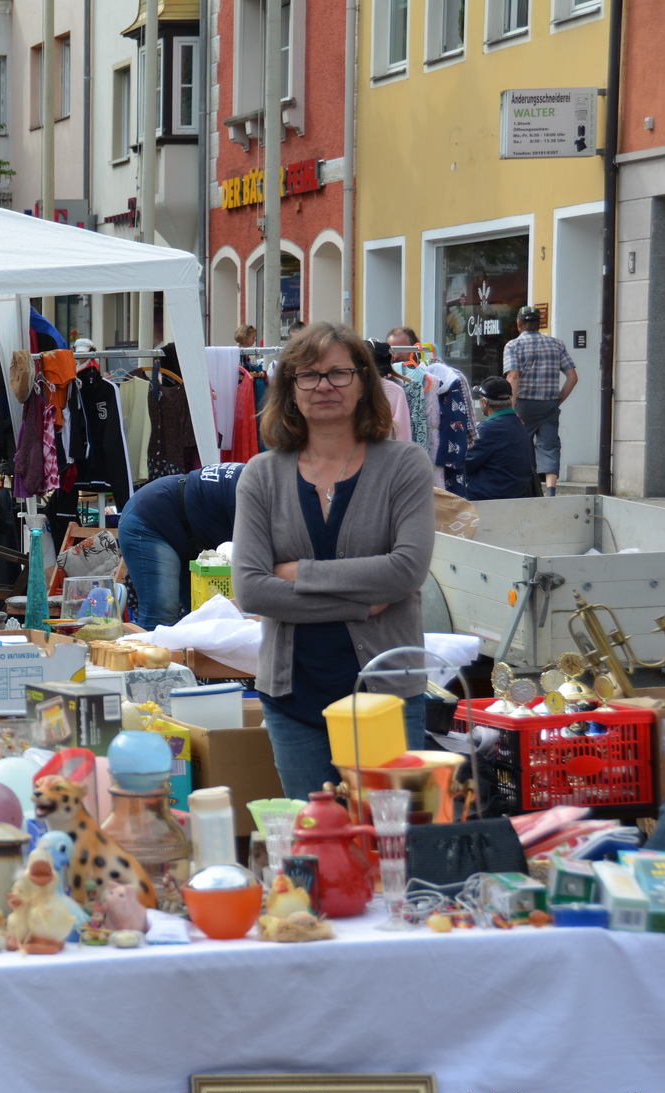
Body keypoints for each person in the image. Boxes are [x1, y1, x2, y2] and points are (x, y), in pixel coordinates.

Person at [231, 322, 435, 800]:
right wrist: (364, 604)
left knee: (390, 843)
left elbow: (406, 570)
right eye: (308, 375)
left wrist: (301, 574)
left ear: (364, 382)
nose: (323, 386)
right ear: (290, 390)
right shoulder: (262, 475)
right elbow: (253, 590)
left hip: (386, 694)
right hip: (292, 695)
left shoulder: (404, 464)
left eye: (339, 373)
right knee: (315, 842)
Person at [116, 463, 244, 629]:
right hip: (151, 520)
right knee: (161, 614)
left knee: (203, 615)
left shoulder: (263, 482)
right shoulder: (252, 490)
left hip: (187, 531)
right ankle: (148, 654)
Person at [502, 305, 577, 496]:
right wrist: (558, 400)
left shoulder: (513, 346)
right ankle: (550, 491)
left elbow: (513, 376)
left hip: (524, 404)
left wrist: (511, 408)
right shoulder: (557, 344)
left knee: (520, 445)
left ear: (519, 324)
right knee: (550, 446)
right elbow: (572, 377)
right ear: (539, 324)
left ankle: (524, 490)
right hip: (549, 405)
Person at [463, 377, 536, 501]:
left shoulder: (488, 429)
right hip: (517, 494)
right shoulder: (519, 425)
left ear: (484, 403)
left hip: (487, 499)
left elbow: (465, 464)